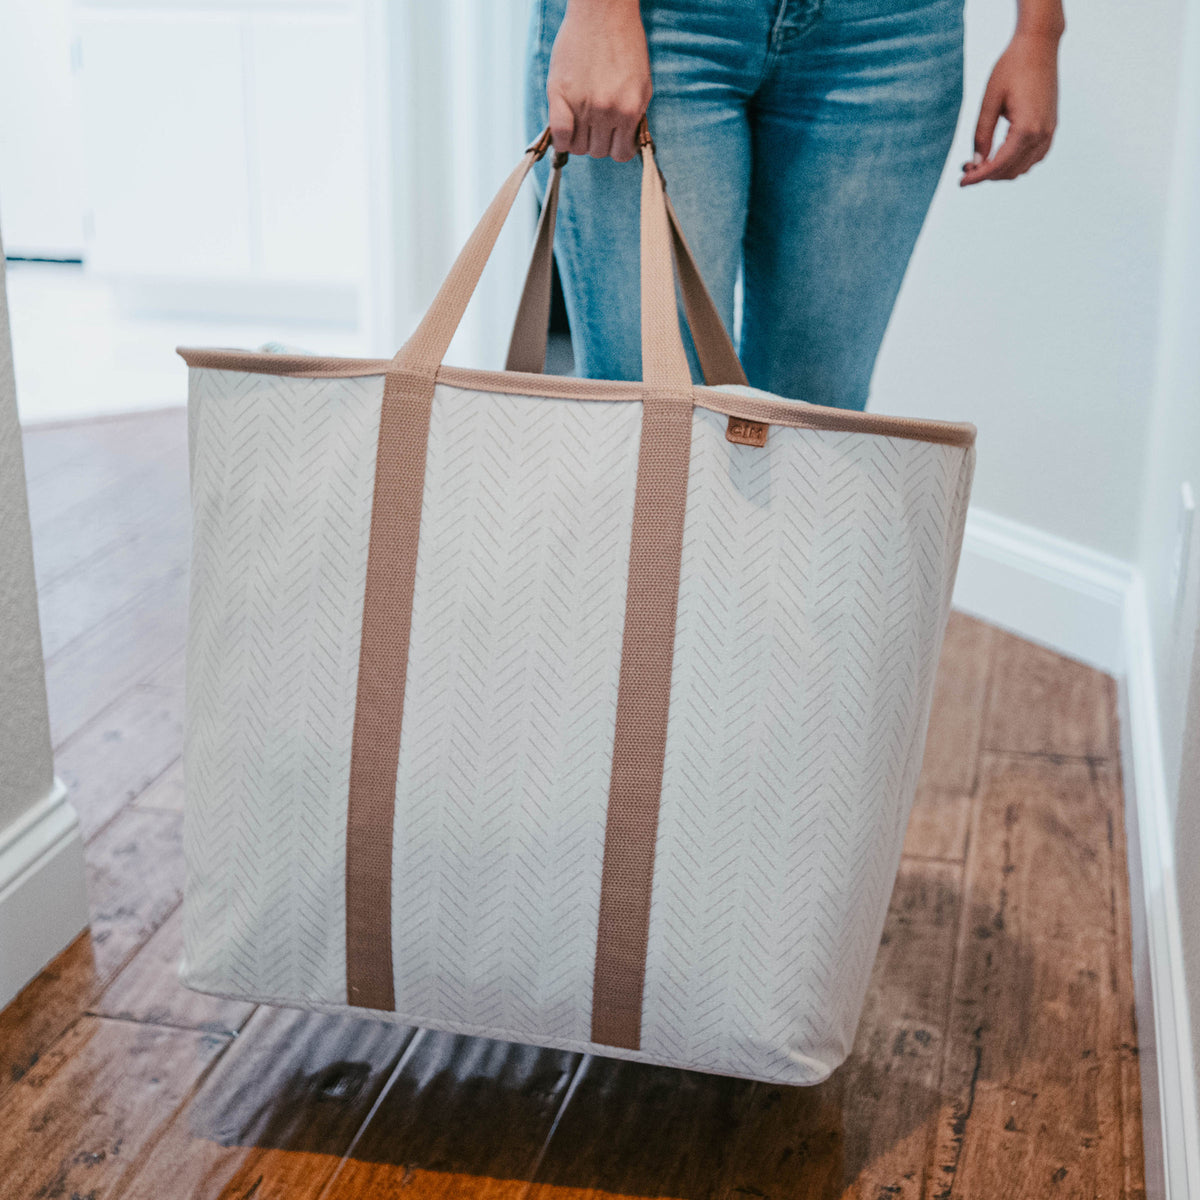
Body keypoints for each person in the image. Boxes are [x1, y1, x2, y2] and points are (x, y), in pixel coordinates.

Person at [525, 0, 1062, 409]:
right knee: (654, 405)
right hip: (666, 19)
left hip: (892, 32)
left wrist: (1040, 27)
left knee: (815, 423)